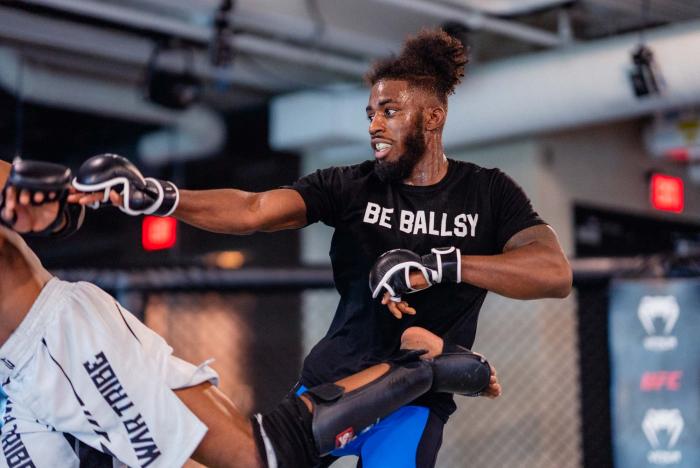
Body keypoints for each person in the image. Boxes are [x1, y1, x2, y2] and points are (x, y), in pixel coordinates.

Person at [72, 28, 569, 468]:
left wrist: (442, 264)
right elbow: (254, 210)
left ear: (433, 116)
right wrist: (161, 196)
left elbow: (552, 272)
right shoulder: (348, 185)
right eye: (371, 112)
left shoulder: (488, 192)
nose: (375, 124)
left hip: (412, 397)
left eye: (390, 111)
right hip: (332, 383)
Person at [0, 158, 499, 468]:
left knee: (256, 457)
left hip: (51, 343)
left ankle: (418, 364)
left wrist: (35, 204)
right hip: (11, 385)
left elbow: (38, 203)